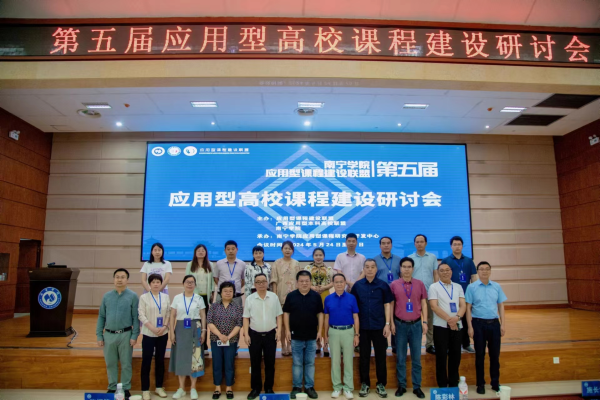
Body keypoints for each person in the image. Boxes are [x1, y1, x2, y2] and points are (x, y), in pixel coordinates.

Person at [351, 259, 393, 398]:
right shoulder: (357, 286)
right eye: (367, 267)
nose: (370, 269)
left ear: (376, 269)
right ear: (363, 269)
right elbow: (353, 309)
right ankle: (365, 383)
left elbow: (387, 305)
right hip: (362, 327)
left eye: (372, 267)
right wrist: (355, 331)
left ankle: (381, 384)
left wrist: (387, 324)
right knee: (364, 357)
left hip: (379, 326)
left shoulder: (383, 285)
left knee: (381, 356)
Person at [96, 268, 140, 400]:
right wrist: (99, 335)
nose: (119, 279)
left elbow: (136, 318)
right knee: (110, 363)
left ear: (127, 280)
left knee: (126, 363)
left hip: (125, 334)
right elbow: (101, 316)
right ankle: (112, 387)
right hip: (109, 335)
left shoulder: (133, 296)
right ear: (114, 279)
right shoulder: (107, 296)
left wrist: (134, 336)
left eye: (122, 277)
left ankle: (125, 388)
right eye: (117, 277)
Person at [466, 261, 507, 395]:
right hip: (478, 324)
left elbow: (501, 305)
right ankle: (480, 384)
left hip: (494, 324)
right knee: (480, 355)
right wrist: (470, 326)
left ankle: (495, 382)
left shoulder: (496, 286)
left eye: (487, 269)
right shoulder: (471, 287)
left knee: (495, 355)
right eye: (481, 269)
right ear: (477, 271)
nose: (484, 271)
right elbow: (468, 308)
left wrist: (503, 324)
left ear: (490, 271)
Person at [389, 257, 427, 399]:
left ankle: (417, 387)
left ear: (413, 268)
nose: (406, 269)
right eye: (404, 266)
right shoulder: (394, 284)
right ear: (400, 268)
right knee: (401, 357)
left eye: (409, 267)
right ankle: (402, 385)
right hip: (400, 325)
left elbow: (423, 303)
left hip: (416, 325)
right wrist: (391, 323)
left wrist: (425, 322)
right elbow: (391, 305)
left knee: (416, 358)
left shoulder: (420, 284)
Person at [283, 270, 324, 399]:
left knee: (310, 363)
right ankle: (296, 387)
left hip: (312, 336)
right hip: (296, 336)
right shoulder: (291, 296)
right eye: (301, 281)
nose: (304, 283)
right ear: (297, 282)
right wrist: (287, 330)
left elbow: (320, 314)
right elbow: (286, 313)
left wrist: (320, 331)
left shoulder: (316, 296)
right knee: (297, 363)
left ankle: (309, 387)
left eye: (307, 281)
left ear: (310, 282)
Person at [243, 273, 283, 400]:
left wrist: (279, 330)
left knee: (270, 363)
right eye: (258, 282)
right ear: (254, 284)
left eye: (263, 281)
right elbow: (246, 318)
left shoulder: (274, 297)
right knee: (255, 363)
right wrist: (246, 334)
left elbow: (279, 315)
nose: (261, 284)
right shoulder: (250, 299)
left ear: (267, 283)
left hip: (271, 334)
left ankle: (269, 388)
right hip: (254, 334)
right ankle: (255, 389)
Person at [169, 275, 207, 400]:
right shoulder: (177, 298)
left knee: (195, 357)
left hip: (195, 328)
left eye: (192, 282)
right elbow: (172, 316)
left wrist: (203, 331)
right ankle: (181, 388)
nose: (189, 284)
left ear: (195, 285)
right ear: (183, 284)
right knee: (181, 357)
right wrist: (171, 332)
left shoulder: (199, 298)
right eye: (187, 282)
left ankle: (193, 388)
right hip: (180, 328)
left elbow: (203, 316)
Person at [428, 263, 466, 388]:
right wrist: (450, 320)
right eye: (442, 270)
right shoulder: (434, 287)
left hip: (457, 326)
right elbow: (434, 306)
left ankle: (454, 384)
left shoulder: (458, 286)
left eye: (447, 270)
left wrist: (457, 318)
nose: (445, 272)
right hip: (441, 327)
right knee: (441, 357)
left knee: (456, 356)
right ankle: (442, 386)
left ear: (451, 271)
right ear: (438, 273)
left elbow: (463, 305)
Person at [324, 273, 360, 399]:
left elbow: (356, 317)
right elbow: (326, 317)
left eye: (341, 282)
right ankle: (337, 387)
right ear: (333, 284)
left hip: (348, 331)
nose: (339, 284)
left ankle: (348, 388)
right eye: (336, 282)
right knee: (335, 361)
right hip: (333, 331)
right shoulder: (328, 299)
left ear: (345, 283)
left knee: (348, 361)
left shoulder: (352, 298)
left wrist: (356, 334)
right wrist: (325, 334)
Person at [207, 282, 244, 400]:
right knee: (217, 363)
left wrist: (228, 337)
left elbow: (239, 324)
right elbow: (209, 322)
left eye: (230, 291)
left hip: (231, 340)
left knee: (229, 364)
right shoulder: (214, 306)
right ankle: (217, 388)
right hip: (215, 340)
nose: (228, 293)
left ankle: (229, 387)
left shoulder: (238, 307)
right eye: (225, 291)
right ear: (220, 293)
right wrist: (220, 335)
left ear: (234, 293)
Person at [442, 236, 477, 353]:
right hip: (450, 296)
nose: (457, 246)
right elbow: (442, 278)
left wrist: (475, 293)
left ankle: (466, 344)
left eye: (459, 244)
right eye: (455, 244)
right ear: (451, 246)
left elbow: (473, 277)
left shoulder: (468, 261)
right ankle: (449, 345)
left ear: (462, 246)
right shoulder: (446, 261)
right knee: (451, 319)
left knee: (466, 320)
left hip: (466, 296)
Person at [138, 274, 171, 400]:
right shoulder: (144, 297)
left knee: (160, 360)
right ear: (149, 284)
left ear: (161, 284)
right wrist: (152, 328)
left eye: (158, 282)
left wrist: (164, 326)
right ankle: (145, 390)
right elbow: (141, 315)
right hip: (148, 333)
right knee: (146, 361)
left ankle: (159, 387)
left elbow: (168, 313)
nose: (156, 284)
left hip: (162, 333)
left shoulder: (165, 297)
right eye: (153, 282)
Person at [409, 234, 439, 355]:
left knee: (430, 319)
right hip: (413, 294)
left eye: (421, 241)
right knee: (413, 320)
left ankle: (430, 344)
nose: (419, 244)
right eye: (417, 242)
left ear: (425, 243)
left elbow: (435, 274)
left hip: (429, 293)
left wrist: (436, 289)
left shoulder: (432, 257)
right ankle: (413, 344)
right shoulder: (410, 258)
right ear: (414, 244)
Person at [270, 240, 301, 356]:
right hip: (280, 297)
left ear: (293, 250)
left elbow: (299, 281)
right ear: (282, 250)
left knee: (292, 323)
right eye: (285, 248)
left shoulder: (296, 263)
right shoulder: (277, 263)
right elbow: (274, 281)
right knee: (282, 323)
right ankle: (283, 345)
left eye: (290, 248)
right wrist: (275, 297)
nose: (287, 250)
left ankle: (290, 344)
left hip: (294, 298)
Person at [373, 236, 400, 354]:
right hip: (380, 295)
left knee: (396, 319)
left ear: (391, 245)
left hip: (396, 295)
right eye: (383, 243)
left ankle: (395, 345)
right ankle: (382, 345)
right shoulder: (375, 261)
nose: (386, 245)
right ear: (380, 246)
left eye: (388, 243)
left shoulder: (398, 260)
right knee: (382, 319)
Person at [305, 247, 335, 356]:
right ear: (313, 256)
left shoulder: (329, 269)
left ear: (324, 256)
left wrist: (324, 287)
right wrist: (313, 287)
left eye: (320, 255)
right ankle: (317, 343)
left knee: (326, 318)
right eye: (316, 255)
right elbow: (305, 281)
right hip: (312, 295)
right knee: (314, 318)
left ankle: (326, 344)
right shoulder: (307, 268)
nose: (318, 257)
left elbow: (333, 282)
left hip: (325, 295)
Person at [186, 244, 214, 352]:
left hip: (205, 297)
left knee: (203, 321)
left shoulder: (210, 264)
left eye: (203, 250)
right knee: (193, 319)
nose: (201, 252)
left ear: (206, 252)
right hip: (193, 296)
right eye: (199, 250)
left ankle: (204, 345)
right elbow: (187, 279)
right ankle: (192, 343)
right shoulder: (190, 264)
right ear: (195, 252)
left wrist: (212, 293)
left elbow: (212, 281)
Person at [214, 240, 246, 307]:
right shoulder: (219, 263)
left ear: (237, 250)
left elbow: (243, 280)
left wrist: (236, 287)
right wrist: (223, 287)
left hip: (236, 296)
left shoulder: (242, 264)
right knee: (219, 313)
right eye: (228, 249)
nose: (231, 251)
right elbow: (216, 278)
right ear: (225, 250)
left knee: (237, 313)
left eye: (233, 249)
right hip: (221, 295)